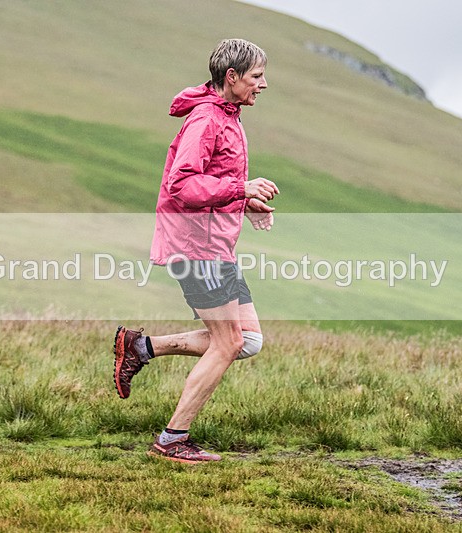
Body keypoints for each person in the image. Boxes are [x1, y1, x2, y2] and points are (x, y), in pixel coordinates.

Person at [113, 38, 279, 464]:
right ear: (232, 77)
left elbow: (213, 182)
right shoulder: (206, 120)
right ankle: (173, 438)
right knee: (228, 343)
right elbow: (182, 186)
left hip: (215, 244)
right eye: (257, 77)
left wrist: (245, 203)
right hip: (196, 247)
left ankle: (141, 348)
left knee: (249, 341)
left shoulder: (230, 115)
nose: (263, 85)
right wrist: (240, 189)